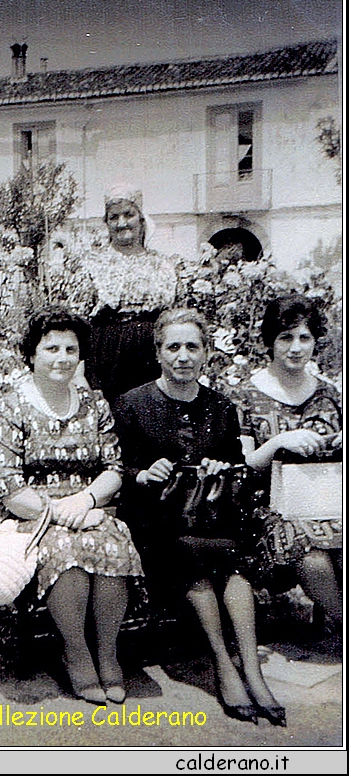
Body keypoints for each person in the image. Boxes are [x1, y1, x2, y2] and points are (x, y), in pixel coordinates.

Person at [114, 308, 285, 725]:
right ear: (158, 353)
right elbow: (121, 470)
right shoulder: (132, 404)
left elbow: (235, 470)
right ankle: (224, 667)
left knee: (233, 561)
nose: (183, 356)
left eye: (193, 346)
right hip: (157, 526)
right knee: (194, 559)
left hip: (212, 519)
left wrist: (218, 467)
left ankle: (253, 670)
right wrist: (144, 473)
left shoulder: (221, 408)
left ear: (207, 353)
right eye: (173, 346)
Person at [0, 307, 143, 704]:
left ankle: (108, 653)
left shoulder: (95, 403)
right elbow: (9, 485)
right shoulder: (12, 405)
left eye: (70, 349)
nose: (62, 357)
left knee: (113, 541)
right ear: (32, 354)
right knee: (64, 550)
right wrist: (62, 512)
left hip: (87, 508)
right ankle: (76, 651)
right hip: (29, 514)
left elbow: (114, 468)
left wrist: (86, 499)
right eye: (51, 347)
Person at [232, 295, 342, 628]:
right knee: (312, 558)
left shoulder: (330, 394)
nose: (295, 347)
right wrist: (279, 441)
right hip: (271, 509)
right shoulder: (243, 395)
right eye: (286, 337)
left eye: (304, 338)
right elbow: (244, 464)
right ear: (270, 341)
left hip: (329, 500)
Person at [77, 184, 180, 405]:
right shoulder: (92, 263)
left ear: (141, 219)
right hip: (107, 353)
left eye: (129, 215)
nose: (122, 223)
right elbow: (79, 321)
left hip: (151, 352)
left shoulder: (161, 263)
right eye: (114, 217)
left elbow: (172, 314)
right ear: (106, 223)